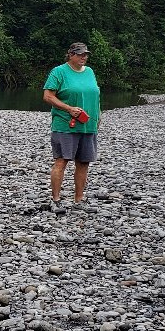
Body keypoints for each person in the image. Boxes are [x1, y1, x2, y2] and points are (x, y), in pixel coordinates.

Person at [42, 41, 101, 212]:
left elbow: (95, 95)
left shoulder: (89, 72)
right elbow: (48, 96)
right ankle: (55, 200)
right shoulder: (59, 71)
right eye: (80, 54)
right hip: (65, 124)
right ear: (71, 54)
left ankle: (79, 200)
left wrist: (99, 115)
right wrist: (69, 109)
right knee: (61, 161)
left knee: (83, 162)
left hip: (88, 125)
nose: (84, 57)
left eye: (86, 54)